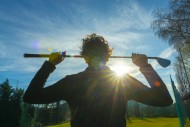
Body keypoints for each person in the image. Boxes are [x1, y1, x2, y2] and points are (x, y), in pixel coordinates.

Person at [23, 33, 173, 127]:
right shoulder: (122, 82)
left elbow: (31, 96)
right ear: (107, 57)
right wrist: (145, 66)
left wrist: (50, 65)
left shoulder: (71, 82)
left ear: (85, 58)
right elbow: (164, 99)